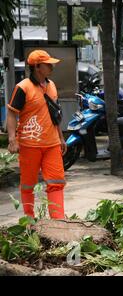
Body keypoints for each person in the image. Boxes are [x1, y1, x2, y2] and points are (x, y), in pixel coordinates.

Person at [7, 50, 67, 219]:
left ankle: (58, 220)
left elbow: (55, 115)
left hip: (52, 144)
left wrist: (61, 138)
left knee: (56, 182)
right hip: (29, 145)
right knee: (28, 184)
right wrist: (12, 139)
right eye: (48, 64)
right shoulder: (23, 87)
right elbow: (12, 113)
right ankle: (29, 220)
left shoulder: (52, 85)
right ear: (37, 67)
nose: (51, 66)